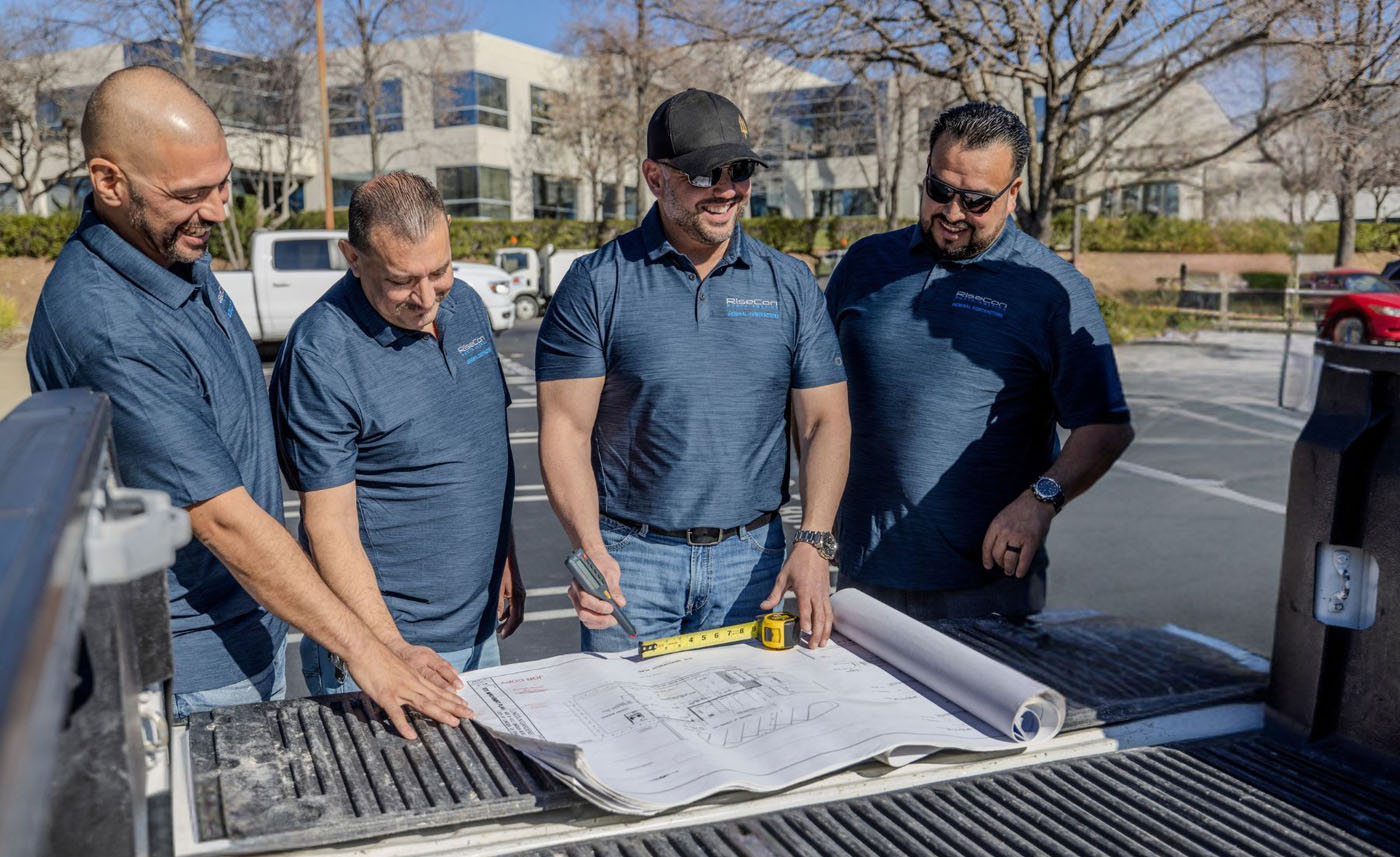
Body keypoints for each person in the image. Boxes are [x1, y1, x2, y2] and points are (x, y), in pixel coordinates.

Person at [26, 66, 468, 740]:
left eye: (223, 182)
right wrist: (372, 653)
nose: (220, 209)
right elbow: (225, 521)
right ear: (109, 181)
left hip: (249, 631)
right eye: (191, 193)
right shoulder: (108, 327)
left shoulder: (170, 251)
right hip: (188, 670)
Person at [536, 88, 850, 651]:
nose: (727, 189)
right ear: (655, 178)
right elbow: (565, 428)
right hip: (631, 564)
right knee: (626, 734)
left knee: (748, 731)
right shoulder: (598, 282)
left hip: (754, 564)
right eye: (705, 174)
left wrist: (815, 541)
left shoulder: (790, 282)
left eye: (740, 170)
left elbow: (824, 421)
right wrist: (590, 549)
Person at [824, 101, 1135, 621]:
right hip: (863, 572)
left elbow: (1106, 426)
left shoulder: (1054, 290)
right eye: (939, 190)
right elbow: (816, 394)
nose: (951, 213)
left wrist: (1042, 499)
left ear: (1012, 195)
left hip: (984, 588)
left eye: (975, 201)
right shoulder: (865, 264)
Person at [269, 172, 524, 694]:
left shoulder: (467, 305)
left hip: (479, 630)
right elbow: (329, 526)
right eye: (402, 280)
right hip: (388, 651)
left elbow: (486, 446)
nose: (427, 297)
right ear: (353, 257)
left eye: (439, 270)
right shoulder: (322, 353)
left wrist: (505, 558)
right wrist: (391, 649)